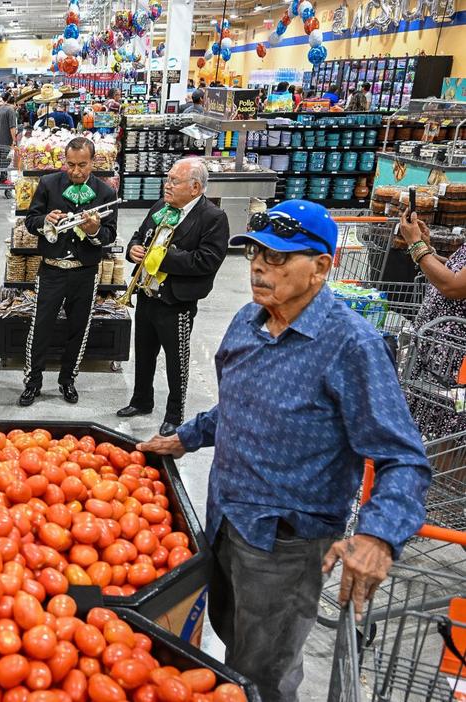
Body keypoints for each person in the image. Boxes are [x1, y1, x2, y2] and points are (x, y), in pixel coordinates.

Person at [138, 199, 430, 702]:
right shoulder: (245, 324)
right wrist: (186, 436)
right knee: (230, 640)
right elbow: (237, 407)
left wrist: (379, 538)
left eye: (277, 258)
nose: (258, 266)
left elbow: (403, 458)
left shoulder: (351, 346)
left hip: (287, 545)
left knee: (262, 674)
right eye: (255, 253)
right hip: (224, 520)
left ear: (320, 268)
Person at [118, 158, 228, 436]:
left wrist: (161, 257)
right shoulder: (160, 207)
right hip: (146, 294)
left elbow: (207, 261)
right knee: (143, 353)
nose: (167, 185)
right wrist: (133, 249)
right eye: (167, 179)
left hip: (176, 300)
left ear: (194, 188)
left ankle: (174, 413)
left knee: (176, 359)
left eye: (173, 181)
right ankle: (141, 400)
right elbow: (138, 235)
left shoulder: (212, 217)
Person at [19, 138, 117, 406]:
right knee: (40, 327)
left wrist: (94, 230)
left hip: (85, 272)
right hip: (51, 270)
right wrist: (44, 221)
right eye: (71, 164)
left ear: (93, 162)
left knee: (79, 329)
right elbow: (30, 221)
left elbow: (109, 235)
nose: (76, 171)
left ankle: (68, 380)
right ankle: (32, 382)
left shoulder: (105, 193)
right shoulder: (50, 184)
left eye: (82, 165)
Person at [396, 209, 466, 439]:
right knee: (432, 426)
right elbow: (456, 272)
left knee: (449, 433)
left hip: (453, 357)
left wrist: (416, 245)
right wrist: (427, 249)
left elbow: (454, 286)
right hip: (438, 350)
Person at [0, 90, 19, 186]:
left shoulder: (0, 109)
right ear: (14, 103)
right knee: (5, 160)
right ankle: (3, 178)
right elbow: (12, 127)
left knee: (3, 159)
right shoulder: (11, 110)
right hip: (6, 139)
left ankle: (3, 177)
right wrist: (15, 140)